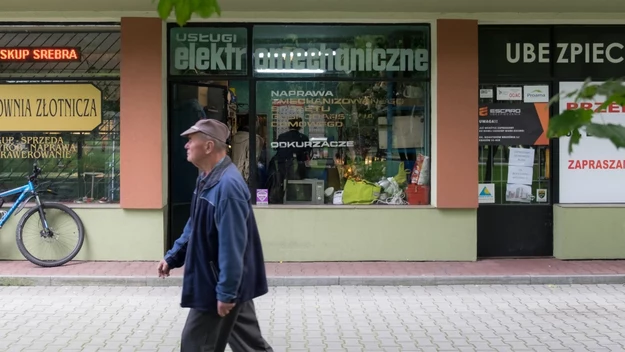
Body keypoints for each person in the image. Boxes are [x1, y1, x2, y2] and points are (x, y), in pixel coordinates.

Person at [157, 118, 273, 352]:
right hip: (227, 280)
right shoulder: (207, 178)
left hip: (217, 283)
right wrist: (173, 256)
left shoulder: (227, 187)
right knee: (250, 346)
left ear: (209, 146)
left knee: (196, 345)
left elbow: (233, 247)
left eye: (191, 140)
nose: (186, 145)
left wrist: (226, 292)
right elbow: (195, 223)